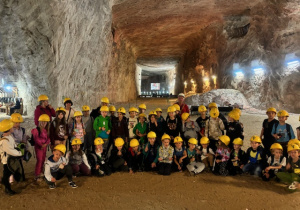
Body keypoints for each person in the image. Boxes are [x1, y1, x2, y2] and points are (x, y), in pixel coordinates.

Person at [0, 119, 23, 195]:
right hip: (7, 161)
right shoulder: (4, 141)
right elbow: (10, 151)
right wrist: (19, 153)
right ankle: (7, 188)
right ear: (9, 128)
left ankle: (4, 181)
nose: (13, 127)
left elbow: (13, 145)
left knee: (8, 172)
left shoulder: (9, 136)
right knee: (7, 173)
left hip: (10, 159)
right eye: (11, 126)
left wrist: (18, 147)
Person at [32, 114, 51, 181]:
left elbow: (48, 138)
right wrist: (41, 145)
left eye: (45, 122)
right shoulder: (36, 130)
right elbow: (36, 139)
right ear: (39, 122)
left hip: (44, 147)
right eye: (42, 122)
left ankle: (41, 172)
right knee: (39, 160)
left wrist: (45, 144)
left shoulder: (46, 130)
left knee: (43, 159)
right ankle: (37, 174)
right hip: (39, 148)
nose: (43, 123)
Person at [10, 113, 29, 181]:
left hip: (21, 149)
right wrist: (21, 142)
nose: (17, 124)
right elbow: (12, 139)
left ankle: (19, 177)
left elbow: (24, 138)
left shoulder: (22, 130)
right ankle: (12, 176)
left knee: (19, 163)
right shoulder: (10, 130)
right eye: (16, 123)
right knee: (13, 163)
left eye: (18, 123)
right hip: (13, 149)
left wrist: (26, 148)